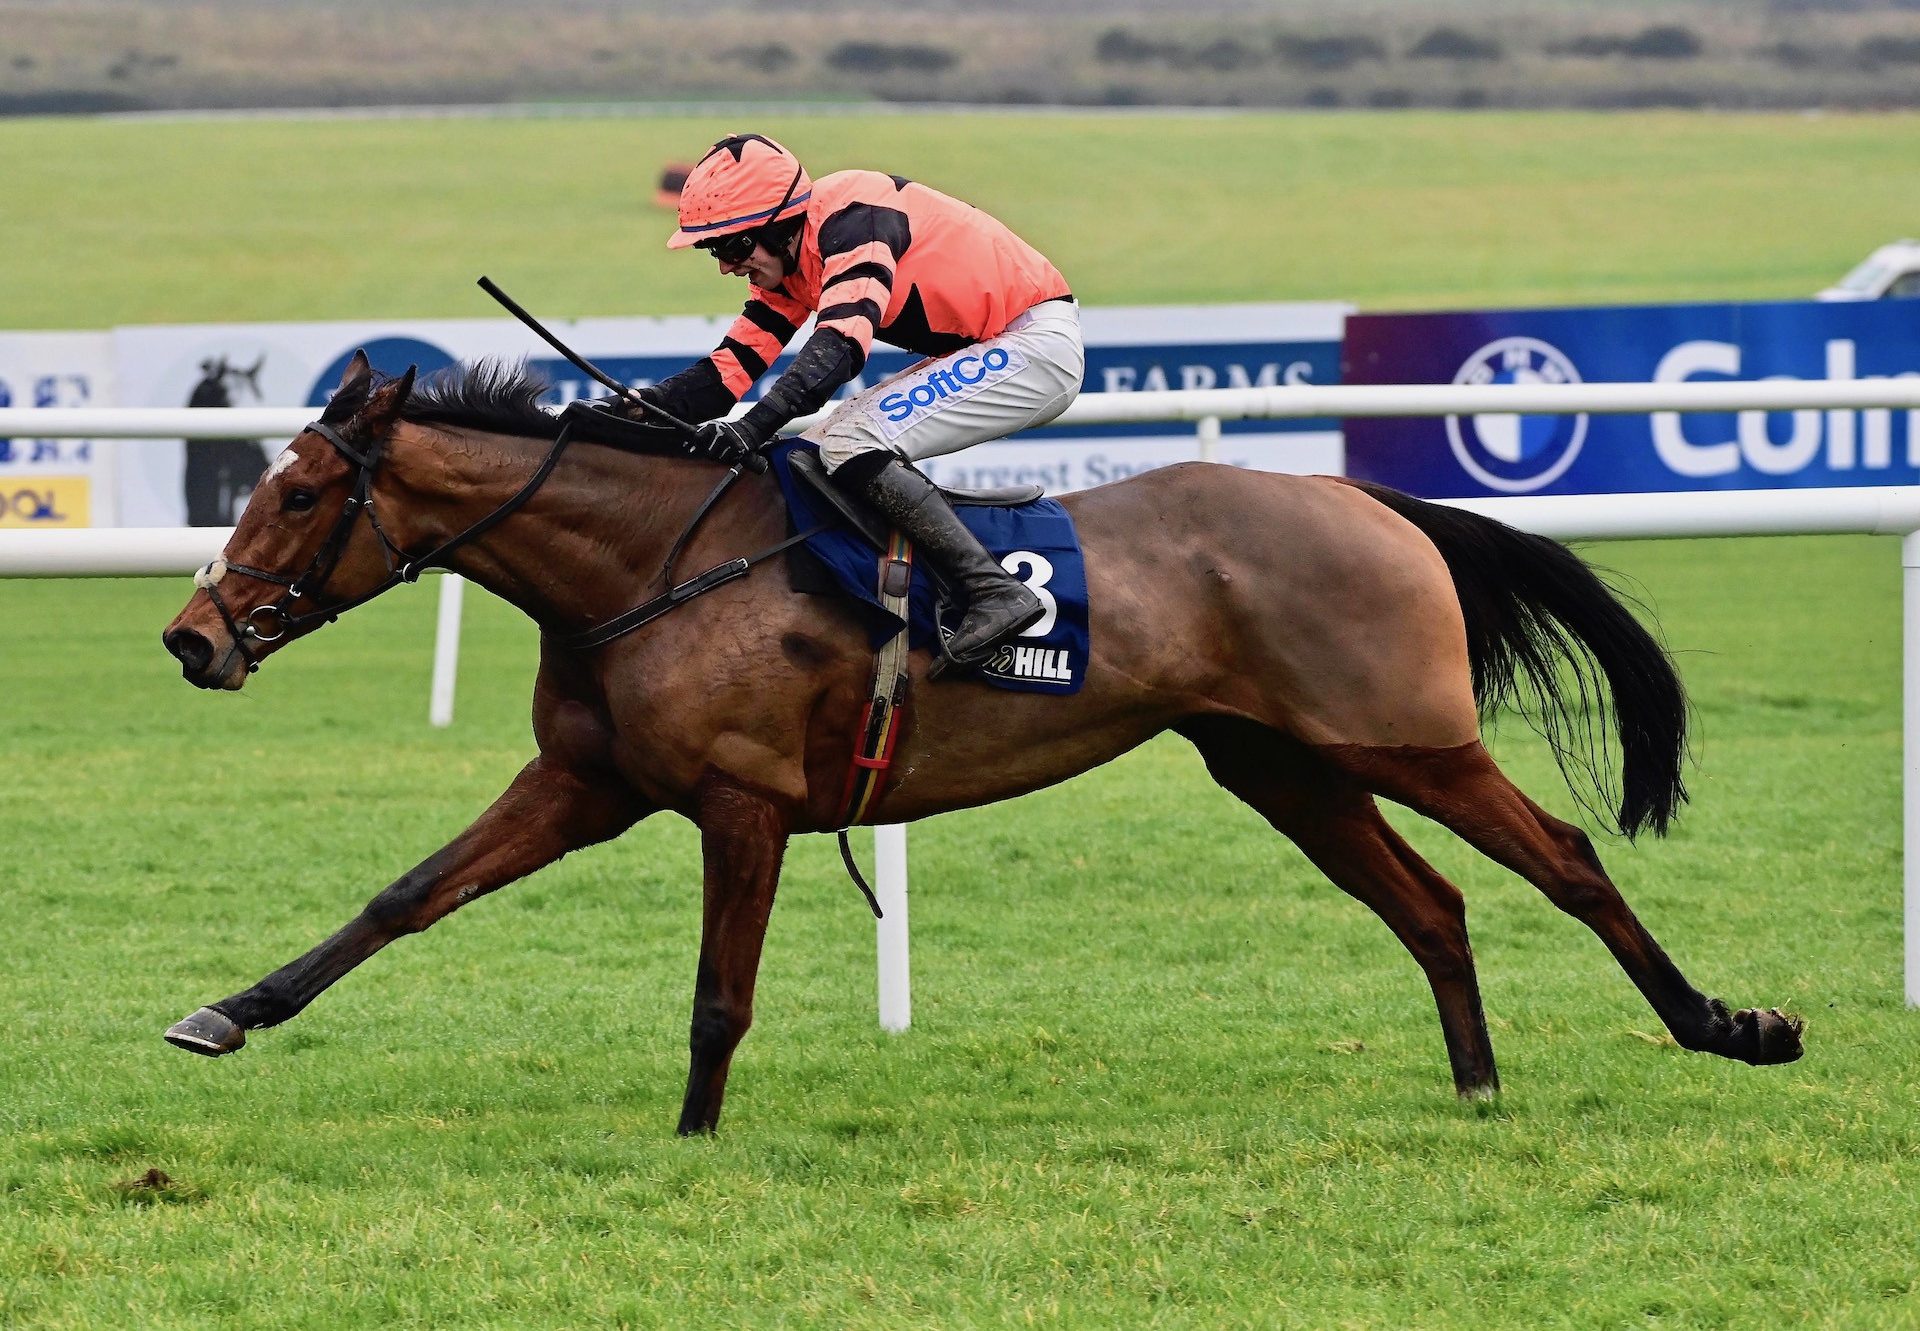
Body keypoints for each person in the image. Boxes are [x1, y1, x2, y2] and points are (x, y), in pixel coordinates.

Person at [626, 132, 1084, 676]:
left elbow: (840, 348)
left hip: (1033, 343)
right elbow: (727, 373)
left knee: (848, 440)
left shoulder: (854, 217)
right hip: (993, 344)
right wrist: (629, 410)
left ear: (777, 224)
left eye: (731, 247)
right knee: (813, 449)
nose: (727, 266)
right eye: (715, 252)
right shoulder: (791, 264)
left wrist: (752, 428)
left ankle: (993, 591)